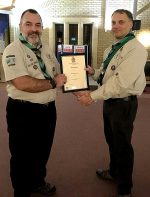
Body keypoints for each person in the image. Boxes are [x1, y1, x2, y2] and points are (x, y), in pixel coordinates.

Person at [76, 9, 148, 197]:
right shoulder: (112, 48)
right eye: (113, 22)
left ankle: (125, 188)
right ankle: (114, 172)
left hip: (123, 104)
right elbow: (108, 75)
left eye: (121, 22)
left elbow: (120, 82)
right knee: (112, 141)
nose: (116, 25)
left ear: (131, 24)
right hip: (110, 102)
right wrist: (94, 72)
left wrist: (92, 96)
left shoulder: (136, 49)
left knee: (123, 146)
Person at [2, 9, 66, 197]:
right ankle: (21, 192)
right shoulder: (12, 50)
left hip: (48, 110)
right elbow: (22, 83)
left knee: (42, 150)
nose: (33, 29)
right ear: (20, 26)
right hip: (23, 111)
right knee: (21, 156)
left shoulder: (45, 49)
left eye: (37, 25)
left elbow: (59, 72)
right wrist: (54, 82)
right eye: (28, 24)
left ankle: (38, 181)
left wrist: (80, 73)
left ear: (42, 28)